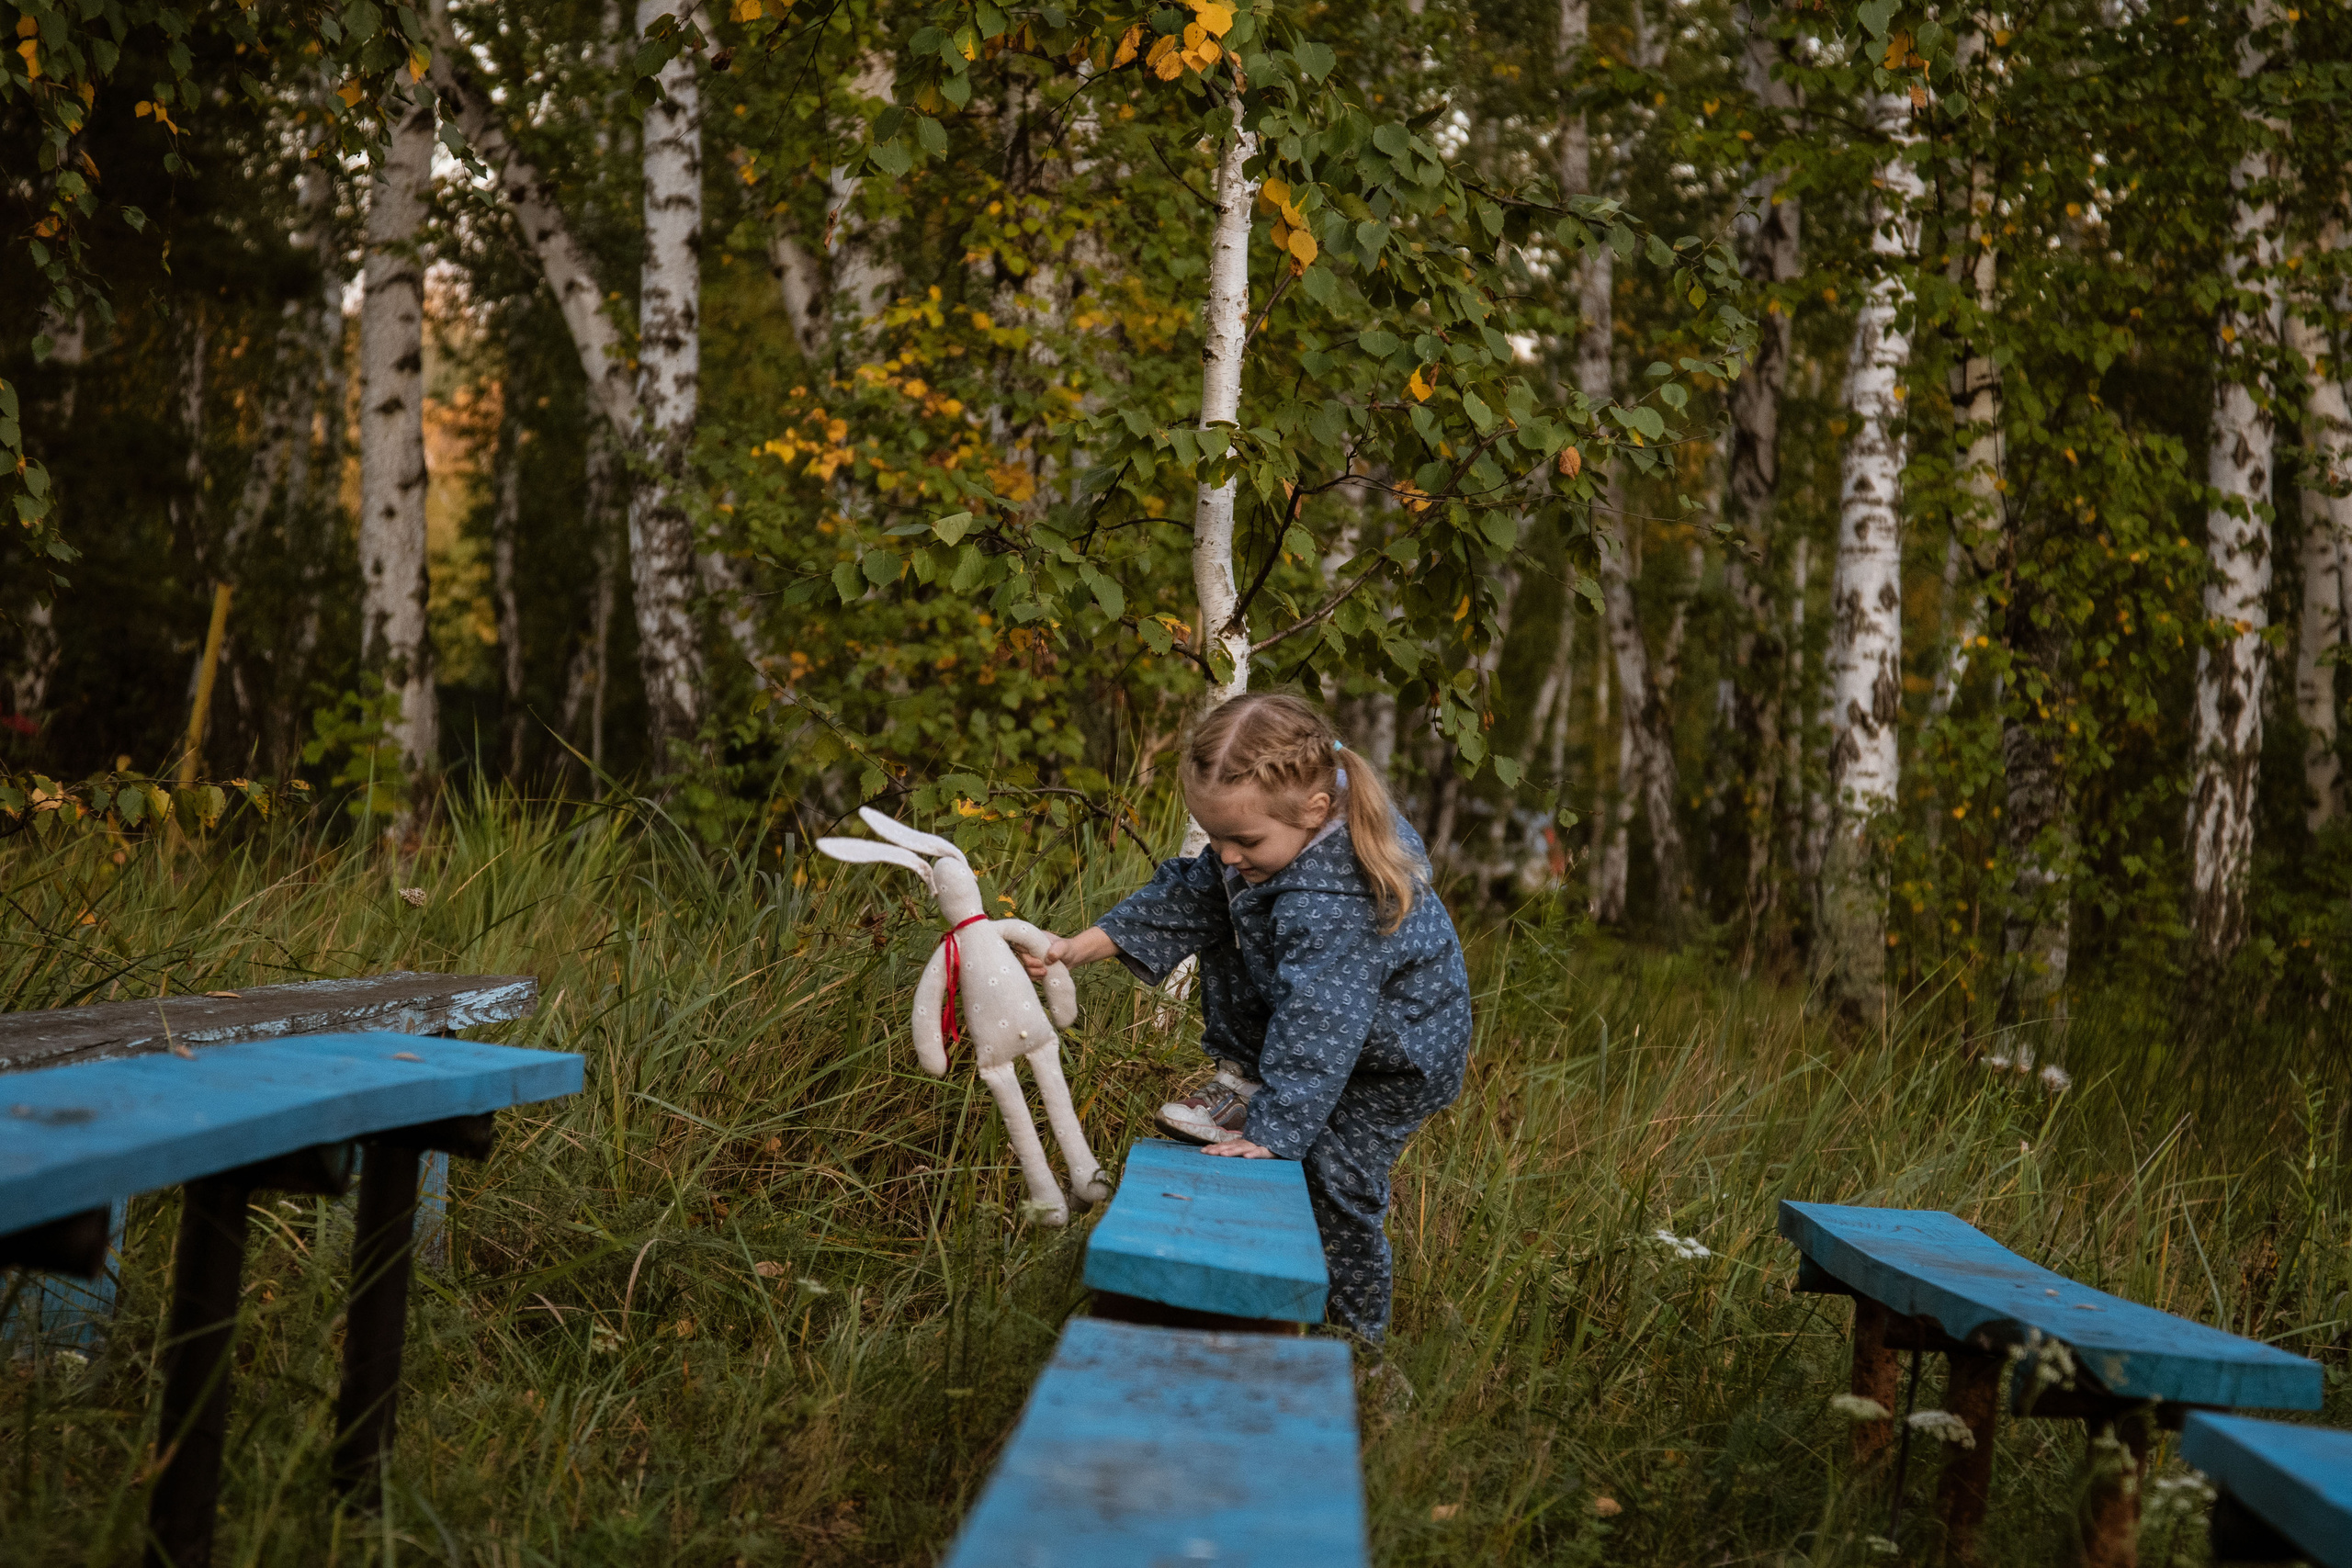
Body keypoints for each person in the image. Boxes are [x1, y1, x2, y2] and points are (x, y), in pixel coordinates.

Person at [1020, 692, 1473, 1340]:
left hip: (1395, 1057)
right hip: (1332, 1032)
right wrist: (1075, 947)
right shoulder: (1266, 849)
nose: (1229, 854)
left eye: (1245, 839)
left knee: (1337, 1182)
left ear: (1314, 810)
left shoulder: (1334, 896)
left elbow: (1322, 1024)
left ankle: (1357, 1343)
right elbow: (1186, 897)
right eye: (1217, 835)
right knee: (1225, 907)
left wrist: (1278, 1132)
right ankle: (1246, 1081)